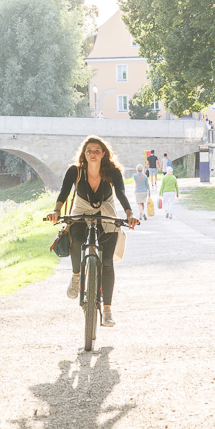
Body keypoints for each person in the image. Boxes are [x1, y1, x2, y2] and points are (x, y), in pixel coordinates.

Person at [46, 137, 139, 326]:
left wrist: (130, 214)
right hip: (81, 211)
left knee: (107, 262)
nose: (93, 154)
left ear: (104, 153)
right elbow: (64, 192)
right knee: (77, 238)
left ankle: (107, 311)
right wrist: (56, 211)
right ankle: (76, 276)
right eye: (89, 151)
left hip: (106, 213)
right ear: (84, 154)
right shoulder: (75, 171)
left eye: (97, 150)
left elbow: (121, 193)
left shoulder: (112, 172)